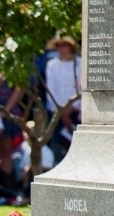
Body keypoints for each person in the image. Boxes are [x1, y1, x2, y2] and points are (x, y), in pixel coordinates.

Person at [44, 35, 81, 166]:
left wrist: (72, 109)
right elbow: (51, 90)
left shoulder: (80, 63)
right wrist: (61, 111)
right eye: (58, 45)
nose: (61, 48)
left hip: (76, 112)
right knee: (58, 147)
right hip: (57, 113)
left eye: (64, 45)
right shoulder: (52, 65)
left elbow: (82, 88)